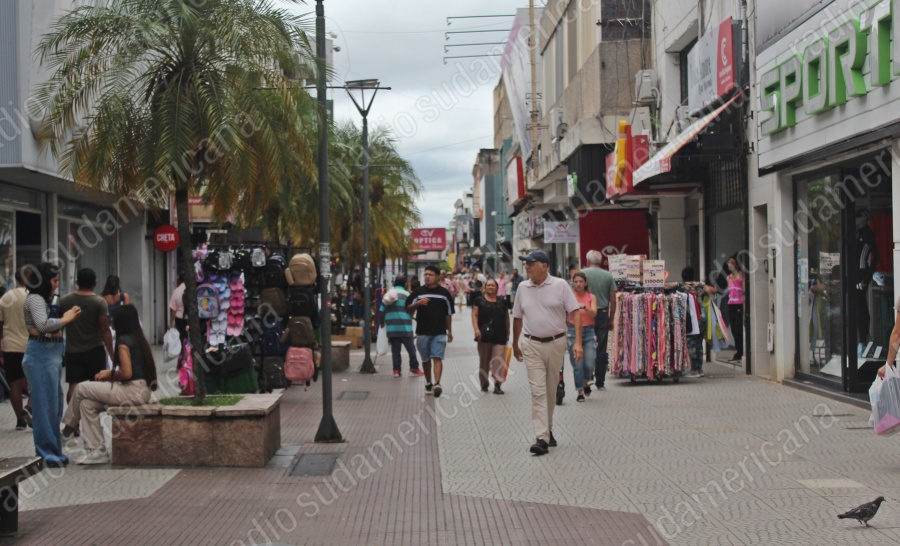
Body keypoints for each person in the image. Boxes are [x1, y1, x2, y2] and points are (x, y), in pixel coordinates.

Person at [62, 304, 157, 465]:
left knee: (81, 388)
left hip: (131, 391)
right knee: (86, 404)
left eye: (113, 318)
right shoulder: (138, 338)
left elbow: (126, 373)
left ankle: (68, 429)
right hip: (142, 390)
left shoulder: (123, 342)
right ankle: (96, 450)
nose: (110, 321)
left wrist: (108, 374)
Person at [512, 250, 582, 456]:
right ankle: (541, 437)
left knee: (551, 390)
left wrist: (577, 342)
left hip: (556, 343)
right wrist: (514, 343)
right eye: (526, 264)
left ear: (544, 265)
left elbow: (575, 312)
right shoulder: (522, 288)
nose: (527, 267)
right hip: (531, 343)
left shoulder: (560, 285)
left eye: (531, 263)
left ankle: (548, 429)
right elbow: (517, 317)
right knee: (538, 391)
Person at [23, 262, 82, 467]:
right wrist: (66, 319)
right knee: (45, 407)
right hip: (42, 354)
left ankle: (53, 451)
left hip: (49, 354)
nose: (57, 285)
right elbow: (42, 326)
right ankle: (47, 454)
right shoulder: (36, 299)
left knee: (53, 407)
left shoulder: (40, 299)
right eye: (54, 280)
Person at [59, 268, 115, 403]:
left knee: (74, 384)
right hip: (95, 350)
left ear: (77, 282)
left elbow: (60, 325)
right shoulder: (99, 302)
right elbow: (105, 329)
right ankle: (92, 416)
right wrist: (112, 353)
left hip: (72, 350)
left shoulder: (64, 301)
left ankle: (72, 419)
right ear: (94, 284)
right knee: (97, 384)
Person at [406, 265, 454, 398]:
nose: (427, 277)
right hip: (422, 332)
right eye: (426, 274)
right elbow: (408, 309)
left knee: (437, 357)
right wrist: (417, 304)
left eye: (430, 274)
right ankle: (428, 382)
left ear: (437, 277)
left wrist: (449, 331)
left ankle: (437, 383)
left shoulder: (444, 293)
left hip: (439, 331)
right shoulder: (418, 292)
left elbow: (448, 314)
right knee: (426, 360)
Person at [0, 268, 32, 430]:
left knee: (15, 385)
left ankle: (20, 420)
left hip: (10, 346)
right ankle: (29, 410)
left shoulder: (5, 298)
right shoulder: (33, 297)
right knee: (34, 382)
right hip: (31, 346)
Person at [581, 250, 616, 390]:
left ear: (588, 260)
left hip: (585, 314)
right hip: (602, 314)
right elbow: (613, 299)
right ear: (600, 261)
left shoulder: (582, 274)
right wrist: (611, 318)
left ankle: (587, 378)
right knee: (601, 348)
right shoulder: (608, 275)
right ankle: (600, 382)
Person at [379, 276, 423, 378]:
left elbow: (381, 310)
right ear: (405, 284)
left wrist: (382, 323)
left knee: (395, 350)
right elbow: (412, 310)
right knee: (411, 349)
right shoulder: (407, 294)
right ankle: (414, 368)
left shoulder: (388, 294)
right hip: (405, 327)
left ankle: (396, 371)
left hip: (392, 327)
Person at [472, 278, 509, 394]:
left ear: (497, 288)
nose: (490, 287)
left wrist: (508, 332)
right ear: (484, 287)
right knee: (484, 361)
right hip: (484, 336)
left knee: (498, 361)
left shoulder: (502, 301)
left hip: (500, 335)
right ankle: (484, 384)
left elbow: (506, 318)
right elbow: (474, 315)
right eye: (488, 285)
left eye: (493, 285)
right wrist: (476, 330)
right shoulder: (479, 300)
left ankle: (498, 384)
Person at [567, 271, 597, 402]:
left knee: (590, 361)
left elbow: (594, 313)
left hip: (589, 331)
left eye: (580, 282)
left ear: (586, 283)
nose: (578, 284)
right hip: (573, 331)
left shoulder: (591, 297)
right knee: (577, 364)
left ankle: (586, 381)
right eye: (576, 282)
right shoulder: (569, 297)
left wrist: (585, 307)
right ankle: (580, 390)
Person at [681, 266, 707, 377]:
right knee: (699, 343)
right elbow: (713, 290)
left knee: (691, 344)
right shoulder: (700, 286)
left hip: (690, 317)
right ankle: (700, 369)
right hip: (701, 315)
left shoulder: (681, 287)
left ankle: (694, 369)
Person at [725, 255, 745, 362]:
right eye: (729, 263)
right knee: (733, 329)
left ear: (736, 265)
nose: (730, 265)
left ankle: (740, 351)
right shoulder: (728, 277)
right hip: (731, 304)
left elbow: (742, 283)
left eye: (732, 263)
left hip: (739, 304)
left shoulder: (741, 275)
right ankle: (738, 350)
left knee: (738, 328)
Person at [168, 273, 187, 341]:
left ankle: (182, 350)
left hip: (179, 319)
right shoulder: (192, 290)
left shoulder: (176, 291)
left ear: (179, 281)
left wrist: (171, 323)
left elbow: (173, 309)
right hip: (190, 319)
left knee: (181, 337)